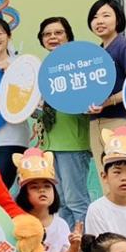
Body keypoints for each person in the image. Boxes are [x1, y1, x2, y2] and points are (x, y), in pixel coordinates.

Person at [35, 17, 95, 224]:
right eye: (47, 34)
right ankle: (68, 247)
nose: (52, 37)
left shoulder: (79, 66)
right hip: (51, 145)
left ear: (68, 36)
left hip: (73, 143)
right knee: (58, 202)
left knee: (76, 201)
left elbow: (88, 102)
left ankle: (84, 247)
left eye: (58, 33)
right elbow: (39, 111)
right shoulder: (42, 69)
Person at [84, 0, 126, 168]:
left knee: (125, 177)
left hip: (120, 120)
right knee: (106, 178)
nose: (99, 21)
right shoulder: (97, 52)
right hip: (96, 122)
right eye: (95, 17)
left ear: (118, 19)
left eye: (106, 15)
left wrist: (108, 101)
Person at [13, 148, 82, 252]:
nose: (42, 190)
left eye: (47, 186)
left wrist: (75, 246)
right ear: (23, 193)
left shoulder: (61, 224)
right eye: (34, 187)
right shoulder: (18, 224)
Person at [0, 17, 33, 183]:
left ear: (9, 36)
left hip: (12, 138)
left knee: (2, 188)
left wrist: (14, 75)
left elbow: (32, 99)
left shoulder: (21, 65)